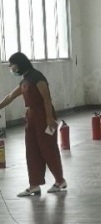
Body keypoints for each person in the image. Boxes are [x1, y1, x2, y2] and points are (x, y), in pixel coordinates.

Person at [0, 52, 67, 197]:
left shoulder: (37, 77)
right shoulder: (25, 80)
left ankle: (60, 181)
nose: (11, 68)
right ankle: (34, 185)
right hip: (31, 117)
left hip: (43, 116)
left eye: (12, 65)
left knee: (48, 148)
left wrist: (49, 118)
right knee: (32, 150)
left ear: (19, 64)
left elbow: (46, 99)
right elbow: (10, 96)